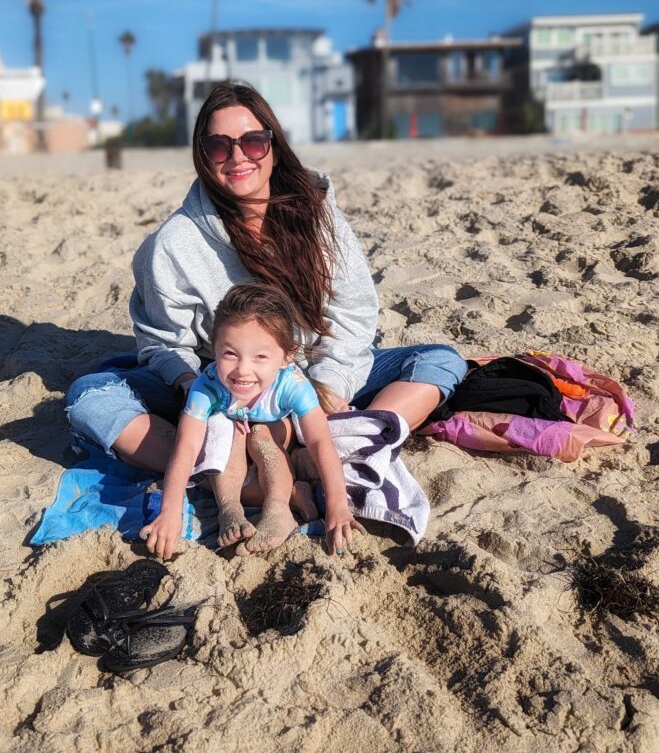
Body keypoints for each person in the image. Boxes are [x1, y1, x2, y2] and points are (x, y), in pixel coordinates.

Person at [65, 81, 468, 551]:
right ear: (201, 154)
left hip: (308, 373)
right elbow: (162, 343)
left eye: (252, 141)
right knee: (90, 397)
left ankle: (298, 455)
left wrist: (327, 387)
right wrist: (201, 389)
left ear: (273, 145)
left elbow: (353, 313)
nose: (238, 158)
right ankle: (257, 468)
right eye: (219, 145)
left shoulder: (315, 214)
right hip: (222, 377)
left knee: (439, 361)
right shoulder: (172, 245)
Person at [141, 282, 363, 561]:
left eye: (260, 357)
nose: (243, 369)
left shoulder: (292, 384)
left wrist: (338, 506)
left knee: (261, 435)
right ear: (215, 347)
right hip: (232, 444)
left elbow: (320, 441)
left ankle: (278, 509)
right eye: (230, 354)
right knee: (221, 427)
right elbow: (186, 448)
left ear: (286, 356)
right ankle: (230, 508)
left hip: (274, 433)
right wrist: (169, 511)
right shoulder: (207, 387)